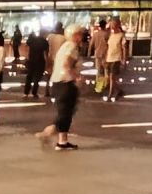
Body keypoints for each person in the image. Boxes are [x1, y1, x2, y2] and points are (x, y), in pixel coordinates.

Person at [38, 23, 86, 151]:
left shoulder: (65, 46)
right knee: (66, 113)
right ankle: (48, 132)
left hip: (58, 82)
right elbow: (67, 64)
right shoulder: (72, 46)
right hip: (66, 83)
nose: (82, 37)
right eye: (80, 34)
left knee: (65, 112)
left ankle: (62, 141)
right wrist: (77, 77)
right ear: (74, 35)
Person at [103, 17, 127, 102]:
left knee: (112, 77)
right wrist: (105, 58)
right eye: (111, 24)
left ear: (117, 25)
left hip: (116, 58)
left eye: (113, 24)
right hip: (109, 58)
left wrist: (124, 59)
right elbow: (108, 48)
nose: (112, 26)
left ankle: (110, 94)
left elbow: (124, 48)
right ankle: (118, 90)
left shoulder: (121, 35)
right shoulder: (111, 35)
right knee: (110, 78)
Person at [23, 28, 49, 98]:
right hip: (40, 61)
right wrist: (47, 62)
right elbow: (46, 53)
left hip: (31, 60)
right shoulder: (44, 41)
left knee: (29, 77)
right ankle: (34, 93)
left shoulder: (33, 40)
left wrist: (27, 57)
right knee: (37, 78)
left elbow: (27, 46)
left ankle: (26, 92)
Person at [89, 19, 110, 96]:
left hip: (97, 54)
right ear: (105, 25)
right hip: (105, 54)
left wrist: (89, 53)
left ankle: (99, 86)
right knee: (106, 70)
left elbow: (91, 44)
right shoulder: (107, 34)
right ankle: (106, 84)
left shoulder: (95, 34)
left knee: (99, 71)